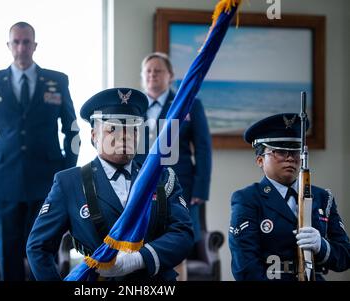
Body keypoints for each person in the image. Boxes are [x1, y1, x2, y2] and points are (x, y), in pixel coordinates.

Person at [26, 88, 194, 280]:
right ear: (94, 135)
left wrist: (139, 259)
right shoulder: (69, 183)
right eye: (112, 128)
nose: (125, 135)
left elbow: (184, 234)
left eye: (132, 128)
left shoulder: (163, 178)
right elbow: (38, 246)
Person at [0, 22, 80, 281]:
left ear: (35, 45)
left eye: (26, 42)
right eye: (16, 42)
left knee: (43, 252)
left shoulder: (57, 80)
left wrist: (67, 172)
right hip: (3, 181)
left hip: (47, 181)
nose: (21, 48)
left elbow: (73, 131)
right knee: (8, 253)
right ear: (9, 45)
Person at [229, 113, 350, 281]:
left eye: (295, 151)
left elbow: (344, 257)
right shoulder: (248, 199)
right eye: (280, 151)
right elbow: (245, 268)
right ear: (259, 160)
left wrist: (322, 246)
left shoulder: (322, 197)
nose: (290, 158)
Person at [136, 52, 212, 279]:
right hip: (140, 189)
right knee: (142, 245)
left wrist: (200, 190)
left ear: (170, 76)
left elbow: (203, 149)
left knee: (177, 247)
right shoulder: (133, 107)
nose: (152, 75)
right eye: (148, 71)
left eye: (158, 71)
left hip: (180, 188)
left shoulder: (188, 104)